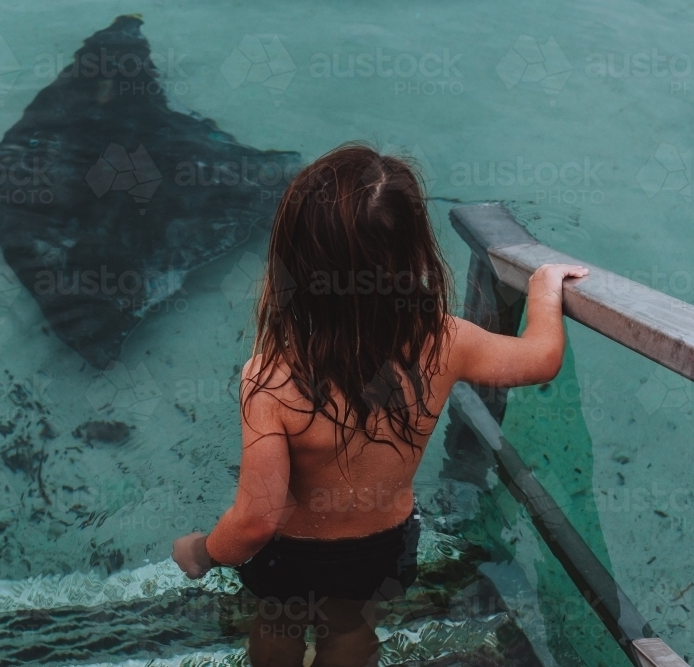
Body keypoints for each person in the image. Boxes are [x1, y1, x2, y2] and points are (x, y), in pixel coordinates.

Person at [171, 143, 588, 667]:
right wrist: (544, 291)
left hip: (291, 556)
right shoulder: (446, 342)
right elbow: (540, 359)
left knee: (278, 623)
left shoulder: (272, 378)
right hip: (380, 549)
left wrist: (204, 552)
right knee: (350, 626)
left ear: (295, 263)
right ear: (415, 254)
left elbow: (256, 519)